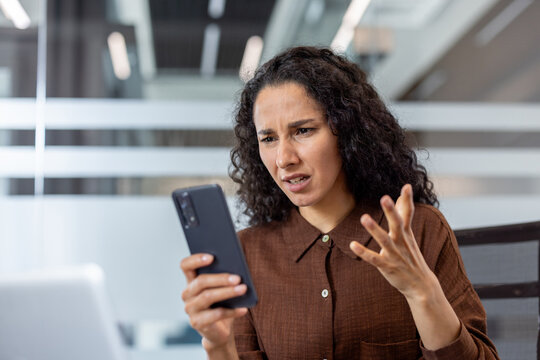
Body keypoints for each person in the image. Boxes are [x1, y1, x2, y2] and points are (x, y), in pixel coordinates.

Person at [180, 46, 499, 359]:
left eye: (303, 130)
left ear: (346, 132)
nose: (284, 159)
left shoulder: (420, 231)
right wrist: (219, 346)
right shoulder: (249, 253)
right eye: (269, 139)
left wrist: (422, 294)